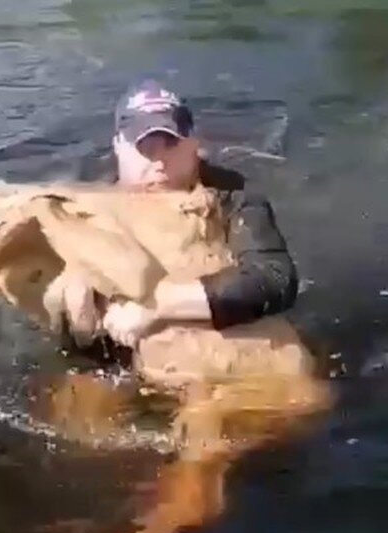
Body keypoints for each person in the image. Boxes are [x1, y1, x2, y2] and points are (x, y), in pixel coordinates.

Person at [60, 78, 299, 349]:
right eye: (145, 148)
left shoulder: (233, 198)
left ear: (193, 144)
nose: (160, 162)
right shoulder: (90, 208)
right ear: (118, 146)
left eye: (170, 144)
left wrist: (157, 306)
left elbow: (275, 279)